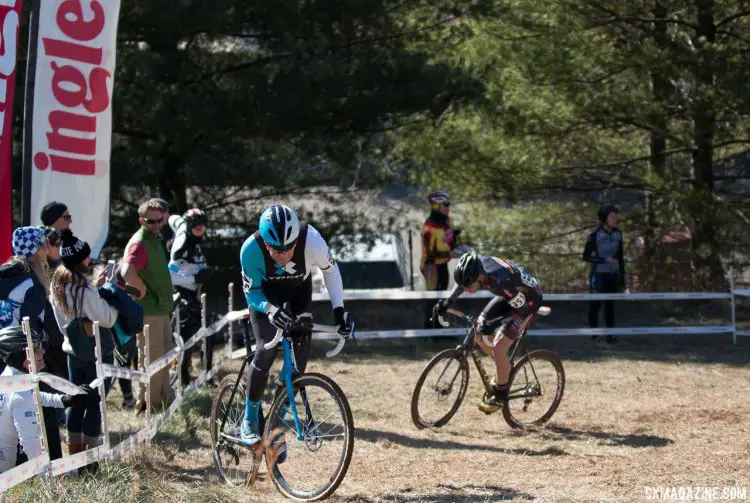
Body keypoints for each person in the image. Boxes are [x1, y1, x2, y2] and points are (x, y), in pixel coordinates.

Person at [239, 204, 354, 446]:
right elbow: (252, 294)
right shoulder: (250, 249)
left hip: (298, 292)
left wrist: (340, 312)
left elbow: (331, 272)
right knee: (265, 350)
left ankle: (276, 421)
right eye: (277, 250)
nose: (284, 255)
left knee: (298, 359)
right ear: (266, 244)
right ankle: (249, 417)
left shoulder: (312, 239)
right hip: (265, 298)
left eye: (290, 248)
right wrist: (270, 310)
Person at [433, 251, 543, 413]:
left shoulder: (499, 281)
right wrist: (448, 301)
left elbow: (521, 309)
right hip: (511, 295)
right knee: (479, 331)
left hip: (529, 301)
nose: (467, 289)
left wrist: (496, 323)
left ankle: (501, 395)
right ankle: (504, 366)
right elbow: (462, 283)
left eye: (469, 285)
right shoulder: (477, 269)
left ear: (480, 277)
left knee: (499, 346)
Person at [50, 230, 117, 462]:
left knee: (76, 403)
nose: (90, 260)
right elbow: (106, 319)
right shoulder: (84, 289)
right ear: (79, 261)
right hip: (96, 353)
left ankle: (74, 456)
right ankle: (91, 460)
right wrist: (111, 294)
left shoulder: (57, 285)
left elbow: (65, 323)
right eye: (87, 257)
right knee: (94, 404)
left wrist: (95, 288)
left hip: (72, 351)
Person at [0, 325, 87, 473]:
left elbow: (33, 397)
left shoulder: (9, 377)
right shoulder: (20, 393)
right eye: (35, 348)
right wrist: (53, 476)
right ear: (21, 356)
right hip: (7, 469)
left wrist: (63, 400)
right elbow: (30, 445)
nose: (42, 351)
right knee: (84, 469)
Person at [120, 200, 175, 413]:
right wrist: (140, 288)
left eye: (160, 220)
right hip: (149, 311)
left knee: (163, 357)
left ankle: (163, 400)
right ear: (141, 220)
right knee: (151, 361)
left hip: (160, 310)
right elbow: (127, 272)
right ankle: (149, 407)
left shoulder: (155, 239)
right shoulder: (140, 242)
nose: (158, 224)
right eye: (152, 221)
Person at [167, 208, 213, 386]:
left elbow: (174, 219)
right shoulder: (183, 245)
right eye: (197, 229)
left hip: (197, 293)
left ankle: (206, 375)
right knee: (186, 338)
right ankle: (185, 379)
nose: (201, 231)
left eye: (203, 228)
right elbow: (169, 274)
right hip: (185, 295)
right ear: (189, 228)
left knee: (209, 333)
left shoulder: (183, 227)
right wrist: (194, 278)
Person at [582, 203, 626, 343]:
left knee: (610, 306)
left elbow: (620, 256)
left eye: (615, 216)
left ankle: (610, 335)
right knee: (595, 305)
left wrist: (622, 278)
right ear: (604, 218)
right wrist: (602, 260)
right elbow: (586, 256)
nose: (615, 219)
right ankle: (594, 335)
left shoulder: (618, 233)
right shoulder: (595, 235)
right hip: (599, 275)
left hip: (613, 275)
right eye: (611, 216)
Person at [421, 190, 460, 330]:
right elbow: (431, 252)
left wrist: (458, 240)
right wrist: (451, 253)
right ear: (436, 206)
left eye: (448, 204)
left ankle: (440, 329)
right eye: (445, 204)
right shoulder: (428, 227)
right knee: (432, 299)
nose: (448, 207)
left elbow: (450, 239)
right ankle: (428, 331)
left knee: (443, 297)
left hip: (443, 265)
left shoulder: (447, 221)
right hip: (431, 266)